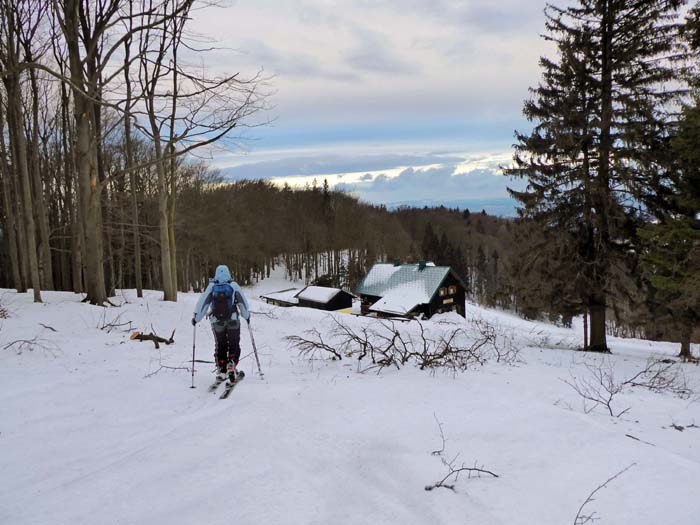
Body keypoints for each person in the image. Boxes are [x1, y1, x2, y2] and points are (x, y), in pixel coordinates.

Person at [192, 265, 250, 381]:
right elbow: (243, 302)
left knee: (220, 344)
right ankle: (232, 363)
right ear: (228, 273)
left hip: (217, 321)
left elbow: (203, 303)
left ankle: (222, 368)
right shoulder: (233, 285)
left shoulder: (212, 286)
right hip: (233, 319)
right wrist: (246, 316)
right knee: (234, 343)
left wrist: (196, 318)